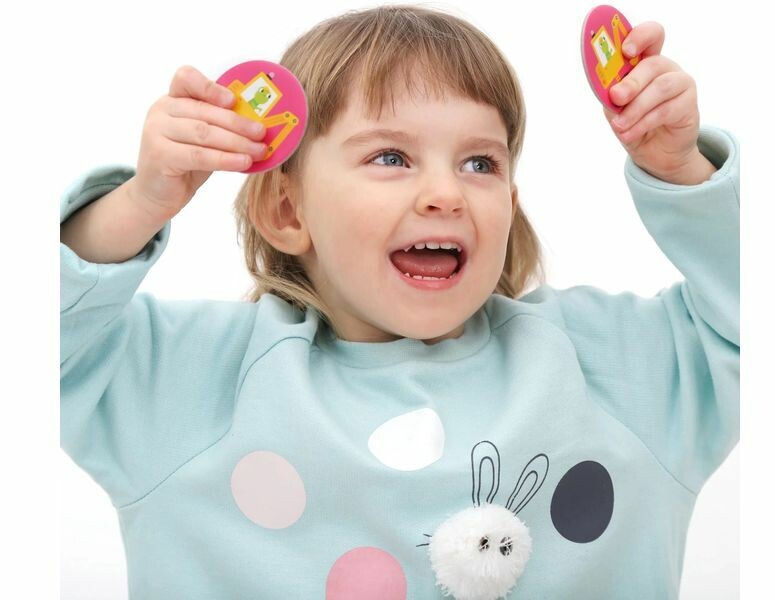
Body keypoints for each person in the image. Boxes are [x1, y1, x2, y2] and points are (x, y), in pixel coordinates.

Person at [59, 5, 739, 599]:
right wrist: (139, 204)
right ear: (287, 209)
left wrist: (680, 170)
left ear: (510, 206)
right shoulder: (197, 380)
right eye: (390, 157)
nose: (446, 193)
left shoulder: (605, 365)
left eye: (480, 163)